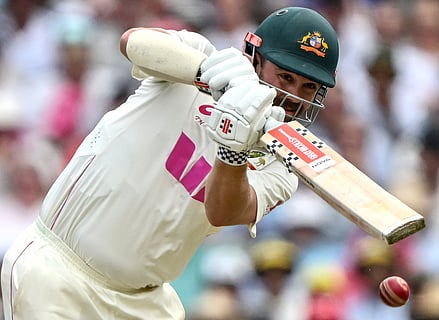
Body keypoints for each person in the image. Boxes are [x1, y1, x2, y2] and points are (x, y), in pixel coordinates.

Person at [1, 6, 339, 319]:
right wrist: (204, 74)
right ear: (254, 57)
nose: (294, 96)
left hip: (144, 301)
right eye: (285, 77)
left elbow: (222, 211)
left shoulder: (284, 162)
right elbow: (131, 42)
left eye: (309, 86)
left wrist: (233, 148)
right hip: (59, 273)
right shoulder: (201, 54)